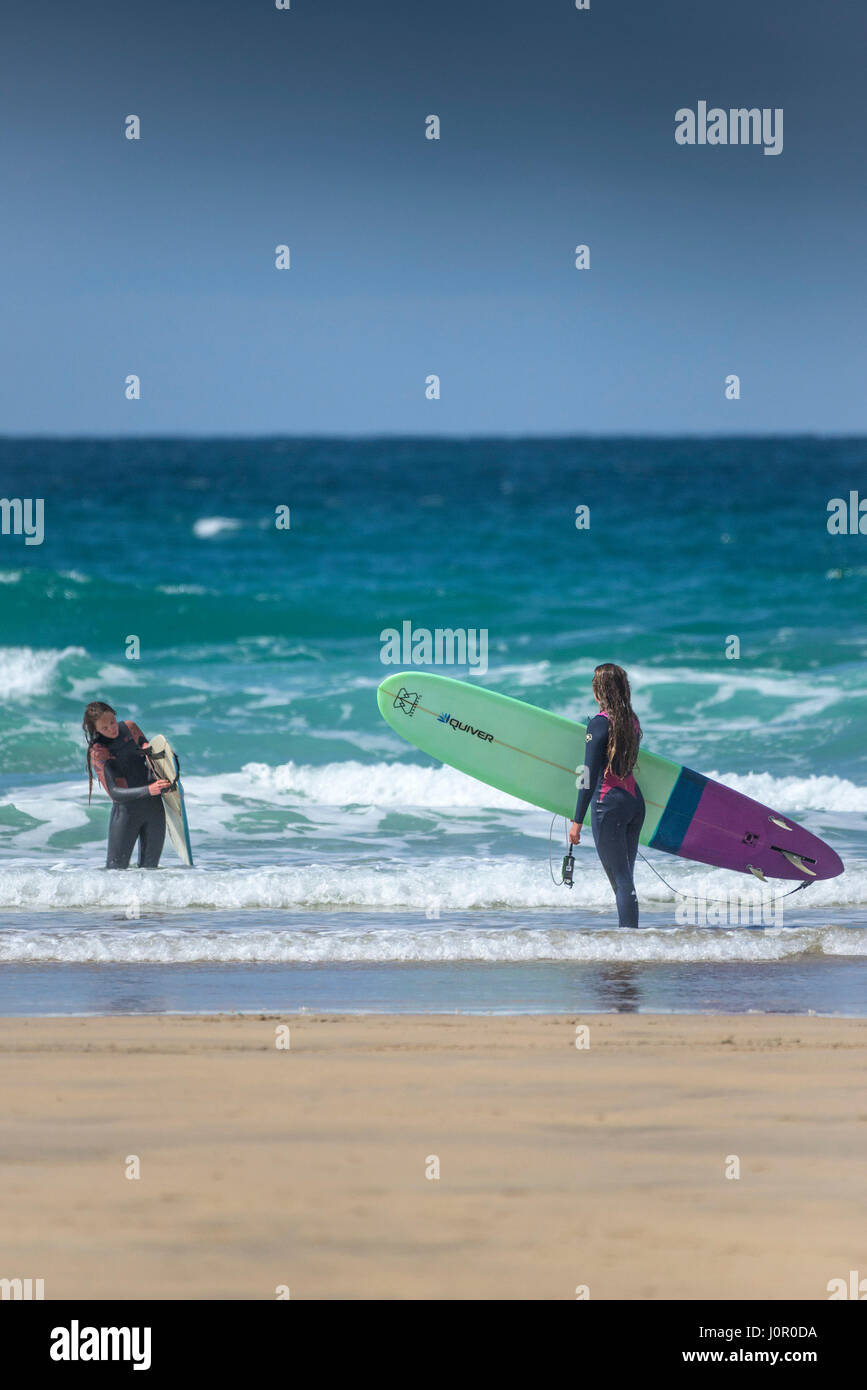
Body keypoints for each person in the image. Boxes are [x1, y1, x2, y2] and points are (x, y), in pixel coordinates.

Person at [569, 664, 645, 929]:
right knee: (626, 878)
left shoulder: (599, 724)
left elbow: (588, 775)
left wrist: (577, 821)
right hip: (635, 803)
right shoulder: (632, 721)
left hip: (608, 805)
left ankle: (629, 942)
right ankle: (630, 935)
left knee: (621, 879)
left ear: (598, 689)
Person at [82, 701, 171, 869]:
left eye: (112, 722)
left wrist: (161, 757)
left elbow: (152, 761)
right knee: (115, 871)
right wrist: (149, 789)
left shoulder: (130, 728)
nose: (112, 729)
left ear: (115, 716)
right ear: (95, 730)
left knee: (151, 869)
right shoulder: (99, 751)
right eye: (105, 728)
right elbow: (115, 793)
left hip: (154, 809)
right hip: (126, 815)